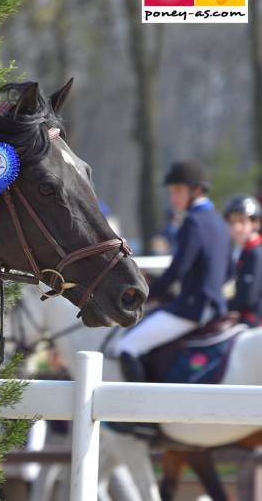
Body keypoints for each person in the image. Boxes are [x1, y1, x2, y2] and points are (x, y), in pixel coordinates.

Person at [112, 160, 232, 381]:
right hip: (217, 307)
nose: (173, 197)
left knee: (126, 346)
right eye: (171, 191)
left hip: (192, 310)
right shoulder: (219, 222)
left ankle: (141, 412)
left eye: (178, 190)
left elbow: (178, 269)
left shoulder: (193, 223)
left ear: (196, 190)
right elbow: (228, 271)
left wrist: (146, 294)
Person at [224, 194, 262, 326]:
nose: (236, 227)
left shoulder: (256, 253)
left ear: (255, 223)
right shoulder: (243, 250)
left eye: (241, 221)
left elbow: (248, 297)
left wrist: (222, 305)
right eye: (232, 222)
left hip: (254, 321)